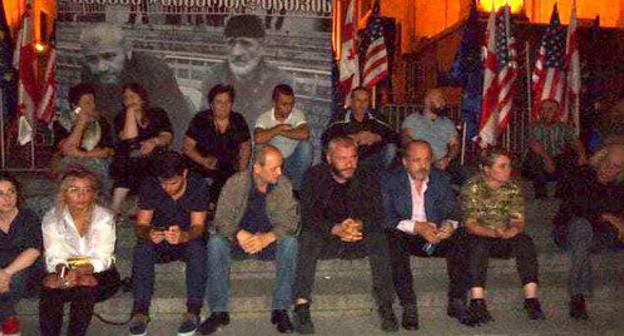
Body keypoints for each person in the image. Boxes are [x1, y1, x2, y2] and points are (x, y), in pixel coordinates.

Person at [292, 137, 398, 334]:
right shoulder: (314, 176)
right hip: (326, 239)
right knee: (308, 237)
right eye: (342, 158)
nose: (350, 164)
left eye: (353, 158)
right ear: (329, 158)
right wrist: (335, 228)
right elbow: (308, 216)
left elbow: (378, 213)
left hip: (356, 238)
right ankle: (301, 306)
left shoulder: (366, 175)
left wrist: (359, 224)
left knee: (380, 238)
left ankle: (386, 305)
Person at [200, 145, 298, 335]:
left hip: (268, 243)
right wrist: (238, 233)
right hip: (238, 243)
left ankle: (280, 309)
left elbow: (290, 222)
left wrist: (268, 237)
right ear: (257, 168)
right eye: (274, 168)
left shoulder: (283, 184)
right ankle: (218, 310)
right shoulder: (236, 183)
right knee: (215, 242)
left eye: (281, 167)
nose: (279, 172)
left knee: (290, 242)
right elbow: (220, 219)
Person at [381, 140, 477, 329]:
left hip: (435, 234)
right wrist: (417, 227)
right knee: (391, 238)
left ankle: (457, 300)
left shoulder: (441, 178)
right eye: (416, 160)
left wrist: (449, 225)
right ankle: (408, 305)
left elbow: (454, 211)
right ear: (404, 162)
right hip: (406, 233)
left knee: (463, 236)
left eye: (426, 160)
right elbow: (386, 217)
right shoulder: (390, 180)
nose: (423, 165)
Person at [129, 151, 209, 336]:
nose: (167, 188)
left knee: (198, 247)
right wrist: (149, 233)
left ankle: (193, 311)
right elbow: (141, 225)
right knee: (143, 247)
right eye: (163, 183)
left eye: (173, 183)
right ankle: (140, 311)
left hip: (187, 238)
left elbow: (198, 225)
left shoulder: (198, 185)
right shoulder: (150, 185)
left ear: (185, 174)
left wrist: (184, 236)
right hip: (160, 239)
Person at [461, 148, 544, 323]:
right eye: (502, 166)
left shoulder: (512, 188)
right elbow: (471, 224)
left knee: (525, 241)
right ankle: (477, 301)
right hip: (480, 234)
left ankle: (531, 299)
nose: (508, 170)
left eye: (509, 166)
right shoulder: (472, 186)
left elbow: (518, 220)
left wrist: (512, 230)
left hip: (502, 236)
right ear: (486, 168)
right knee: (478, 243)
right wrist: (493, 232)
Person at [78, 23, 192, 149]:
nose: (101, 67)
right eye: (92, 59)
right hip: (113, 144)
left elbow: (174, 125)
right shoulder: (87, 71)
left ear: (127, 49)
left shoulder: (154, 71)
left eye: (109, 56)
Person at [39, 168, 120, 336]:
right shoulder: (52, 218)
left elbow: (103, 257)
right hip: (65, 271)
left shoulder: (103, 217)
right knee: (50, 282)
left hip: (100, 274)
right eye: (74, 190)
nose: (81, 196)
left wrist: (79, 271)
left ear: (93, 193)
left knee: (85, 281)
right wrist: (65, 272)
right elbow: (54, 256)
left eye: (86, 190)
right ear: (64, 193)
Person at [553, 144, 624, 320]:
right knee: (581, 227)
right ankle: (578, 295)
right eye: (606, 162)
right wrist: (606, 216)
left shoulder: (620, 188)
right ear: (600, 159)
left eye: (616, 166)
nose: (608, 168)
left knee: (585, 239)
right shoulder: (582, 175)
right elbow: (574, 209)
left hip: (599, 237)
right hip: (568, 231)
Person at [200, 14, 294, 126]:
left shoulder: (280, 81)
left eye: (246, 43)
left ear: (262, 45)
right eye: (231, 43)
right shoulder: (213, 77)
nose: (236, 52)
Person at [183, 84, 251, 210]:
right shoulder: (201, 119)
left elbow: (245, 148)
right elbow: (187, 146)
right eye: (219, 102)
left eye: (227, 102)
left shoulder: (238, 120)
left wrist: (241, 174)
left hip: (226, 166)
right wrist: (203, 160)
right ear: (211, 104)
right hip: (199, 163)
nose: (224, 106)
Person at [110, 83, 173, 217]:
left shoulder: (158, 113)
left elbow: (167, 136)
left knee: (157, 161)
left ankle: (147, 206)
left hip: (154, 154)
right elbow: (129, 138)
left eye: (133, 96)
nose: (129, 100)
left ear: (142, 98)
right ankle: (115, 208)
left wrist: (153, 142)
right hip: (128, 157)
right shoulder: (120, 117)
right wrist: (130, 113)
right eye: (126, 97)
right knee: (131, 158)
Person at [53, 83, 114, 196]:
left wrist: (78, 154)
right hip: (70, 165)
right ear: (75, 106)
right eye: (87, 103)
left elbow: (105, 152)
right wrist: (81, 122)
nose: (92, 106)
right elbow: (66, 149)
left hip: (96, 164)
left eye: (93, 102)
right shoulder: (62, 122)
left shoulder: (101, 122)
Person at [0, 174, 41, 336]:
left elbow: (33, 250)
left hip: (27, 270)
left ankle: (8, 324)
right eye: (1, 194)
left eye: (11, 192)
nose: (7, 198)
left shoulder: (28, 217)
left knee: (15, 277)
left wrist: (5, 273)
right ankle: (9, 322)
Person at [523, 99, 588, 198]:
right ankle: (541, 195)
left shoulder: (565, 127)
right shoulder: (534, 127)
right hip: (538, 163)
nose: (545, 112)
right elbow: (535, 146)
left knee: (570, 157)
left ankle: (562, 194)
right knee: (534, 158)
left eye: (550, 109)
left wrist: (582, 154)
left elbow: (575, 142)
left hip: (556, 161)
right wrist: (548, 160)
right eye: (543, 109)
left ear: (557, 112)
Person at [323, 86, 398, 172]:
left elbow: (395, 137)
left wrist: (377, 138)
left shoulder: (377, 118)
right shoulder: (340, 119)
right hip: (348, 160)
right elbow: (326, 140)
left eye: (365, 100)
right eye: (358, 100)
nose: (362, 104)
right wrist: (353, 138)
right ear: (351, 101)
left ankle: (380, 181)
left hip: (371, 160)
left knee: (391, 148)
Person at [254, 84, 313, 192]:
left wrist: (280, 131)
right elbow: (258, 139)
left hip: (293, 161)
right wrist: (277, 128)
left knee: (306, 147)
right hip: (273, 164)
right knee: (259, 148)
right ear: (274, 103)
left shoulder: (297, 115)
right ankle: (264, 189)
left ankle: (296, 190)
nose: (288, 108)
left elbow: (305, 134)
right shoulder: (264, 118)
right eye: (284, 104)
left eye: (291, 104)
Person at [401, 88, 464, 184]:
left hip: (443, 163)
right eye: (439, 99)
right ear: (427, 101)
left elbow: (455, 144)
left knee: (466, 174)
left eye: (443, 99)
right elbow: (405, 139)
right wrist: (425, 156)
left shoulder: (447, 123)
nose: (443, 102)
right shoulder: (413, 119)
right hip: (420, 162)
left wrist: (448, 158)